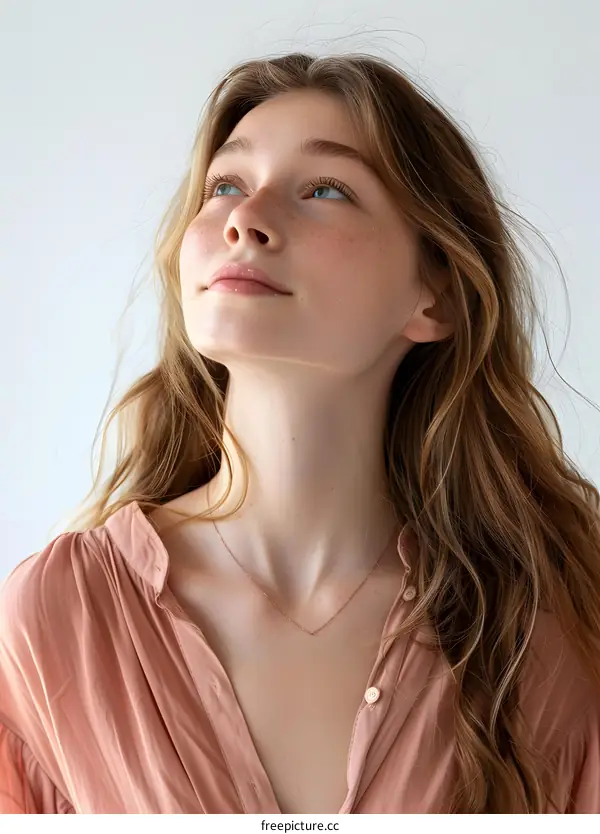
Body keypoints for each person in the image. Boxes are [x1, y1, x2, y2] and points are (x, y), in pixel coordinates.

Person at [1, 51, 599, 816]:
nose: (244, 219)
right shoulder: (62, 617)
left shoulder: (534, 640)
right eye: (225, 185)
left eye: (324, 189)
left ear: (436, 295)